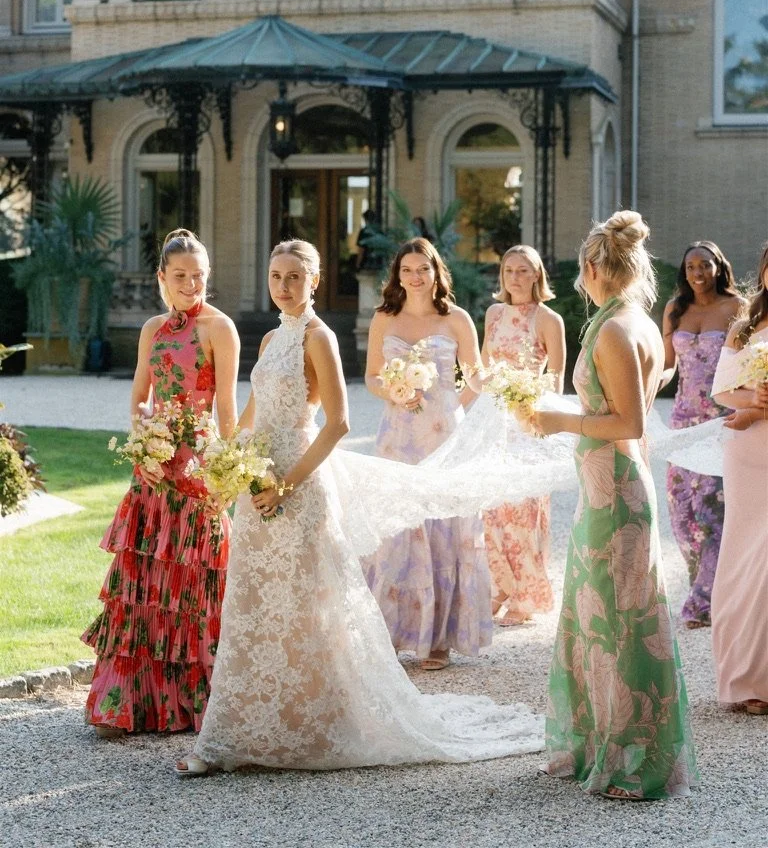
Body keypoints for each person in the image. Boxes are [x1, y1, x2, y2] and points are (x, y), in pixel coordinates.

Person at [175, 239, 543, 775]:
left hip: (298, 486)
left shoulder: (318, 337)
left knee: (310, 605)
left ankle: (318, 723)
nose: (283, 286)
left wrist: (287, 485)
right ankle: (236, 732)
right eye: (276, 276)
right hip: (257, 484)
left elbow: (338, 423)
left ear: (315, 281)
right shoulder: (273, 337)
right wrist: (228, 458)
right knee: (254, 606)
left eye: (295, 277)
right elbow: (253, 411)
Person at [533, 210, 698, 800]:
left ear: (594, 267)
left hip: (618, 492)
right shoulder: (636, 321)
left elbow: (628, 421)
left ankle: (634, 760)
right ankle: (598, 741)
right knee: (598, 616)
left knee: (620, 624)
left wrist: (558, 420)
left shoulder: (613, 329)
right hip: (607, 488)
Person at [83, 229, 240, 735]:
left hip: (196, 466)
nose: (191, 284)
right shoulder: (152, 328)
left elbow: (228, 413)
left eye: (199, 275)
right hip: (152, 467)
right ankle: (129, 701)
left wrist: (224, 473)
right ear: (162, 279)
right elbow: (137, 398)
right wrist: (142, 445)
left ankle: (195, 703)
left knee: (193, 584)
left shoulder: (221, 329)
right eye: (181, 276)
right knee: (143, 585)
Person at [362, 238, 492, 671]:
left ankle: (438, 640)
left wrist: (453, 408)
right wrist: (393, 389)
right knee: (398, 527)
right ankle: (394, 631)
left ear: (436, 272)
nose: (415, 277)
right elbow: (371, 378)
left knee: (442, 528)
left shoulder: (455, 319)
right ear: (397, 277)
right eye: (407, 271)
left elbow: (477, 377)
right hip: (397, 437)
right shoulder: (384, 318)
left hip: (442, 435)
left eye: (423, 269)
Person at [478, 245, 565, 626]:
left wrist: (529, 402)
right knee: (492, 507)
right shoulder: (494, 314)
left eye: (523, 270)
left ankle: (526, 595)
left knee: (524, 509)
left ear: (536, 275)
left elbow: (558, 378)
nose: (515, 277)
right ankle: (499, 585)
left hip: (528, 420)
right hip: (494, 421)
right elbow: (481, 367)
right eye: (509, 270)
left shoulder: (549, 318)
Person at [662, 241, 743, 627]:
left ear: (717, 266)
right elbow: (663, 368)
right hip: (682, 423)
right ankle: (703, 585)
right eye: (691, 265)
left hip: (721, 422)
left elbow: (750, 361)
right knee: (681, 513)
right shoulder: (675, 309)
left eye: (705, 265)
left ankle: (705, 602)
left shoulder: (735, 307)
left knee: (713, 512)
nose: (698, 272)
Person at [710, 242, 768, 716]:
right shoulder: (743, 326)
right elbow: (722, 391)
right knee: (744, 555)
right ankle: (744, 678)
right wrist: (751, 406)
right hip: (747, 453)